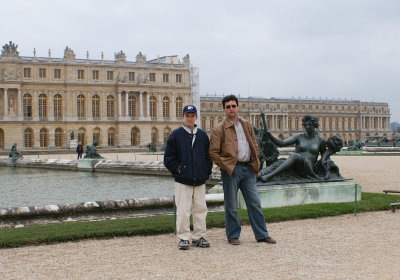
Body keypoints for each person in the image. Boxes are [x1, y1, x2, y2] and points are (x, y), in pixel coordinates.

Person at [209, 95, 276, 245]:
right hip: (231, 170)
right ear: (224, 109)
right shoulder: (219, 128)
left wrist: (255, 160)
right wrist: (227, 165)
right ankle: (233, 235)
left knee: (255, 204)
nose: (231, 109)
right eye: (228, 106)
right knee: (231, 205)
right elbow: (213, 153)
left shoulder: (246, 124)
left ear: (238, 107)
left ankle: (262, 234)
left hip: (248, 169)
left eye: (233, 106)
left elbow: (254, 143)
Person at [164, 105, 213, 250]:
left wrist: (206, 172)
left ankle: (199, 236)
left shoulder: (203, 135)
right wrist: (179, 169)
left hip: (199, 179)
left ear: (196, 117)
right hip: (183, 180)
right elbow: (169, 159)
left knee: (200, 209)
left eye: (192, 115)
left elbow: (208, 157)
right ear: (183, 117)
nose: (190, 118)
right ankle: (184, 237)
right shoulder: (176, 135)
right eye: (187, 115)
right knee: (183, 210)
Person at [258, 115, 325, 182]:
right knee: (279, 163)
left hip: (308, 169)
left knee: (294, 156)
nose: (307, 127)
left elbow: (325, 157)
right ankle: (257, 175)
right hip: (296, 165)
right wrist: (270, 136)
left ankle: (268, 177)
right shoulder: (299, 136)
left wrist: (327, 169)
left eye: (310, 125)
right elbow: (282, 143)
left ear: (315, 125)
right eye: (306, 125)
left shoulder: (320, 140)